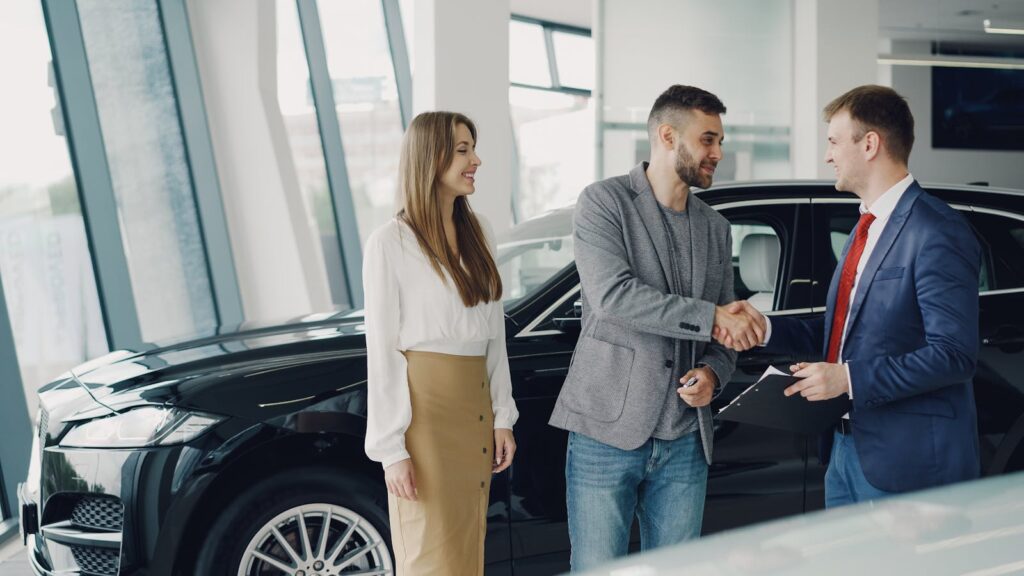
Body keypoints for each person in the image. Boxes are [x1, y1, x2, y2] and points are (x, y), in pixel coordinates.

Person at [722, 85, 981, 507]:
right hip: (844, 451)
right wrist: (764, 328)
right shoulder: (864, 230)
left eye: (834, 142)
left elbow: (954, 354)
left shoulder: (937, 230)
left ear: (870, 144)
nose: (828, 156)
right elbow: (840, 334)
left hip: (905, 463)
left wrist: (848, 378)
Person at [548, 85, 763, 571]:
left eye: (720, 141)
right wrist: (711, 317)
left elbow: (724, 331)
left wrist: (713, 372)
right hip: (606, 429)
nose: (718, 153)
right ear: (668, 135)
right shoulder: (604, 202)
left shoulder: (715, 227)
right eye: (708, 140)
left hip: (686, 437)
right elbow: (613, 296)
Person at [362, 111, 519, 574]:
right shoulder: (389, 242)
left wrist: (503, 416)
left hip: (475, 414)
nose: (477, 161)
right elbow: (383, 351)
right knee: (430, 553)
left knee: (468, 549)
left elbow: (494, 336)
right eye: (463, 150)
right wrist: (392, 451)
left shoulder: (480, 231)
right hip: (425, 420)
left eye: (473, 148)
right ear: (430, 158)